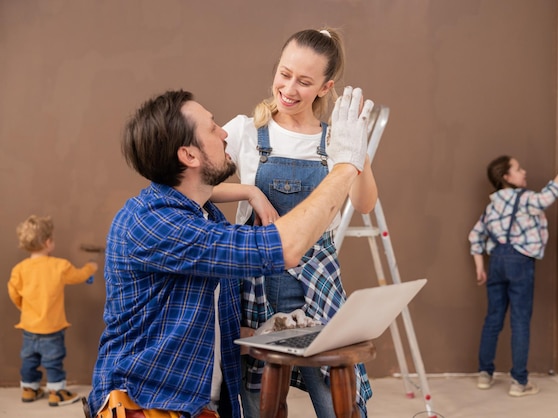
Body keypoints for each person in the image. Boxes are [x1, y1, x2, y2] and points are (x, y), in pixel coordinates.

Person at [87, 87, 373, 418]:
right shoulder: (156, 224)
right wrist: (346, 164)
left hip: (196, 405)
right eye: (211, 128)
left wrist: (264, 333)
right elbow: (287, 248)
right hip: (146, 403)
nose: (224, 132)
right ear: (189, 156)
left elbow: (190, 322)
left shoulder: (202, 216)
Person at [211, 28, 376, 417]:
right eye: (284, 74)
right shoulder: (245, 131)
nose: (289, 88)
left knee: (335, 395)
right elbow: (199, 191)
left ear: (325, 87)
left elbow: (365, 203)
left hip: (316, 279)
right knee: (258, 395)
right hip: (255, 280)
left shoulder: (334, 139)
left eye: (304, 81)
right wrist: (251, 193)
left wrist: (357, 151)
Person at [468, 156, 558, 397]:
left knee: (493, 319)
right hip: (520, 261)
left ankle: (484, 375)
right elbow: (547, 198)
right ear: (506, 177)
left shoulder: (492, 206)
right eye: (518, 169)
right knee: (519, 321)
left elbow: (475, 236)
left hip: (497, 260)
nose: (524, 172)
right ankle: (519, 382)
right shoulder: (526, 199)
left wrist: (480, 267)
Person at [7, 215, 98, 407]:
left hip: (29, 327)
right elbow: (78, 276)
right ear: (48, 242)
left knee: (29, 360)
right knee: (53, 361)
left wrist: (24, 309)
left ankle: (29, 390)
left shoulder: (19, 270)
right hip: (52, 329)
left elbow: (13, 293)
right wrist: (91, 267)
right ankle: (57, 393)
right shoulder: (60, 266)